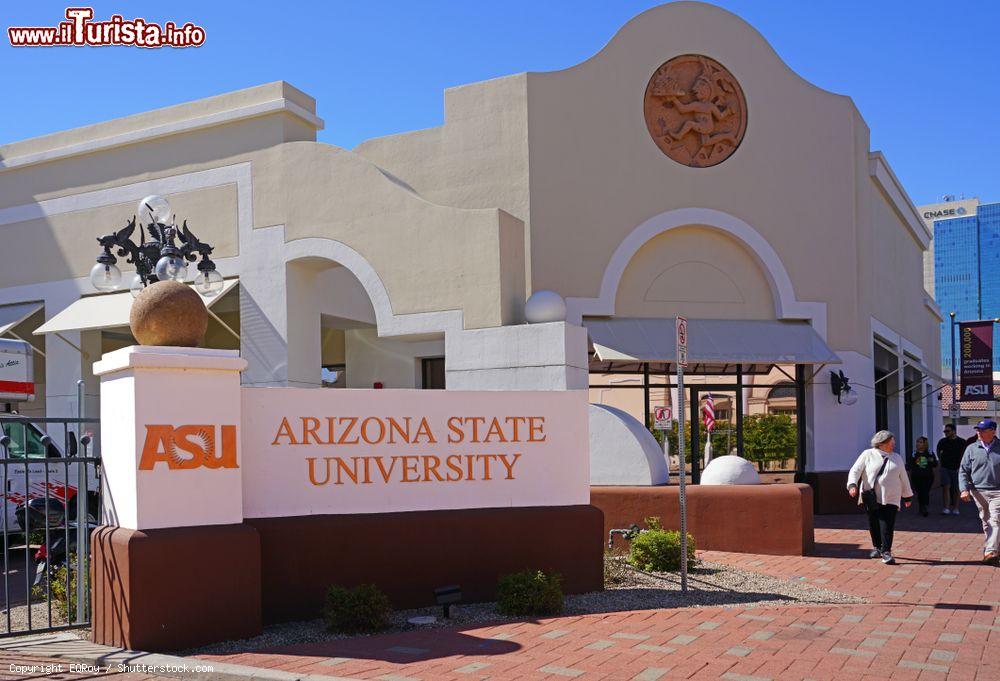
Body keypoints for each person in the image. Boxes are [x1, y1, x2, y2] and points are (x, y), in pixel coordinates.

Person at [848, 430, 913, 565]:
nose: (893, 444)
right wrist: (852, 485)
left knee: (887, 523)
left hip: (892, 497)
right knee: (874, 522)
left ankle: (886, 551)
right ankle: (877, 547)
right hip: (871, 496)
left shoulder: (897, 457)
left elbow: (904, 477)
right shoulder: (868, 454)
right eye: (891, 441)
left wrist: (907, 496)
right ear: (881, 443)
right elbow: (856, 470)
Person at [958, 419, 1000, 566]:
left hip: (998, 491)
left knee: (996, 519)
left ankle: (990, 551)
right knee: (986, 520)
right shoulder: (972, 448)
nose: (978, 433)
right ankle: (994, 549)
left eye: (982, 430)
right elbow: (963, 471)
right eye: (978, 430)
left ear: (993, 432)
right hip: (978, 492)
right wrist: (964, 489)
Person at [936, 424, 966, 515]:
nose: (946, 433)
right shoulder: (943, 441)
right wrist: (940, 462)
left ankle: (956, 508)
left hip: (957, 468)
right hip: (945, 467)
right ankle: (946, 508)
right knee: (946, 487)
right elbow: (938, 450)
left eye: (948, 431)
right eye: (945, 431)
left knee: (956, 488)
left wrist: (961, 466)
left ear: (954, 431)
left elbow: (964, 455)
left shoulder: (961, 442)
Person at [906, 436, 938, 517]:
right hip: (916, 476)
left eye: (920, 442)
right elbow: (909, 465)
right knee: (919, 492)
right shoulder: (914, 453)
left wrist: (930, 461)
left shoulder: (929, 453)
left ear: (925, 444)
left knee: (925, 492)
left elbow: (935, 464)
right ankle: (921, 507)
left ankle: (925, 507)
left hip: (928, 476)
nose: (918, 444)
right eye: (917, 442)